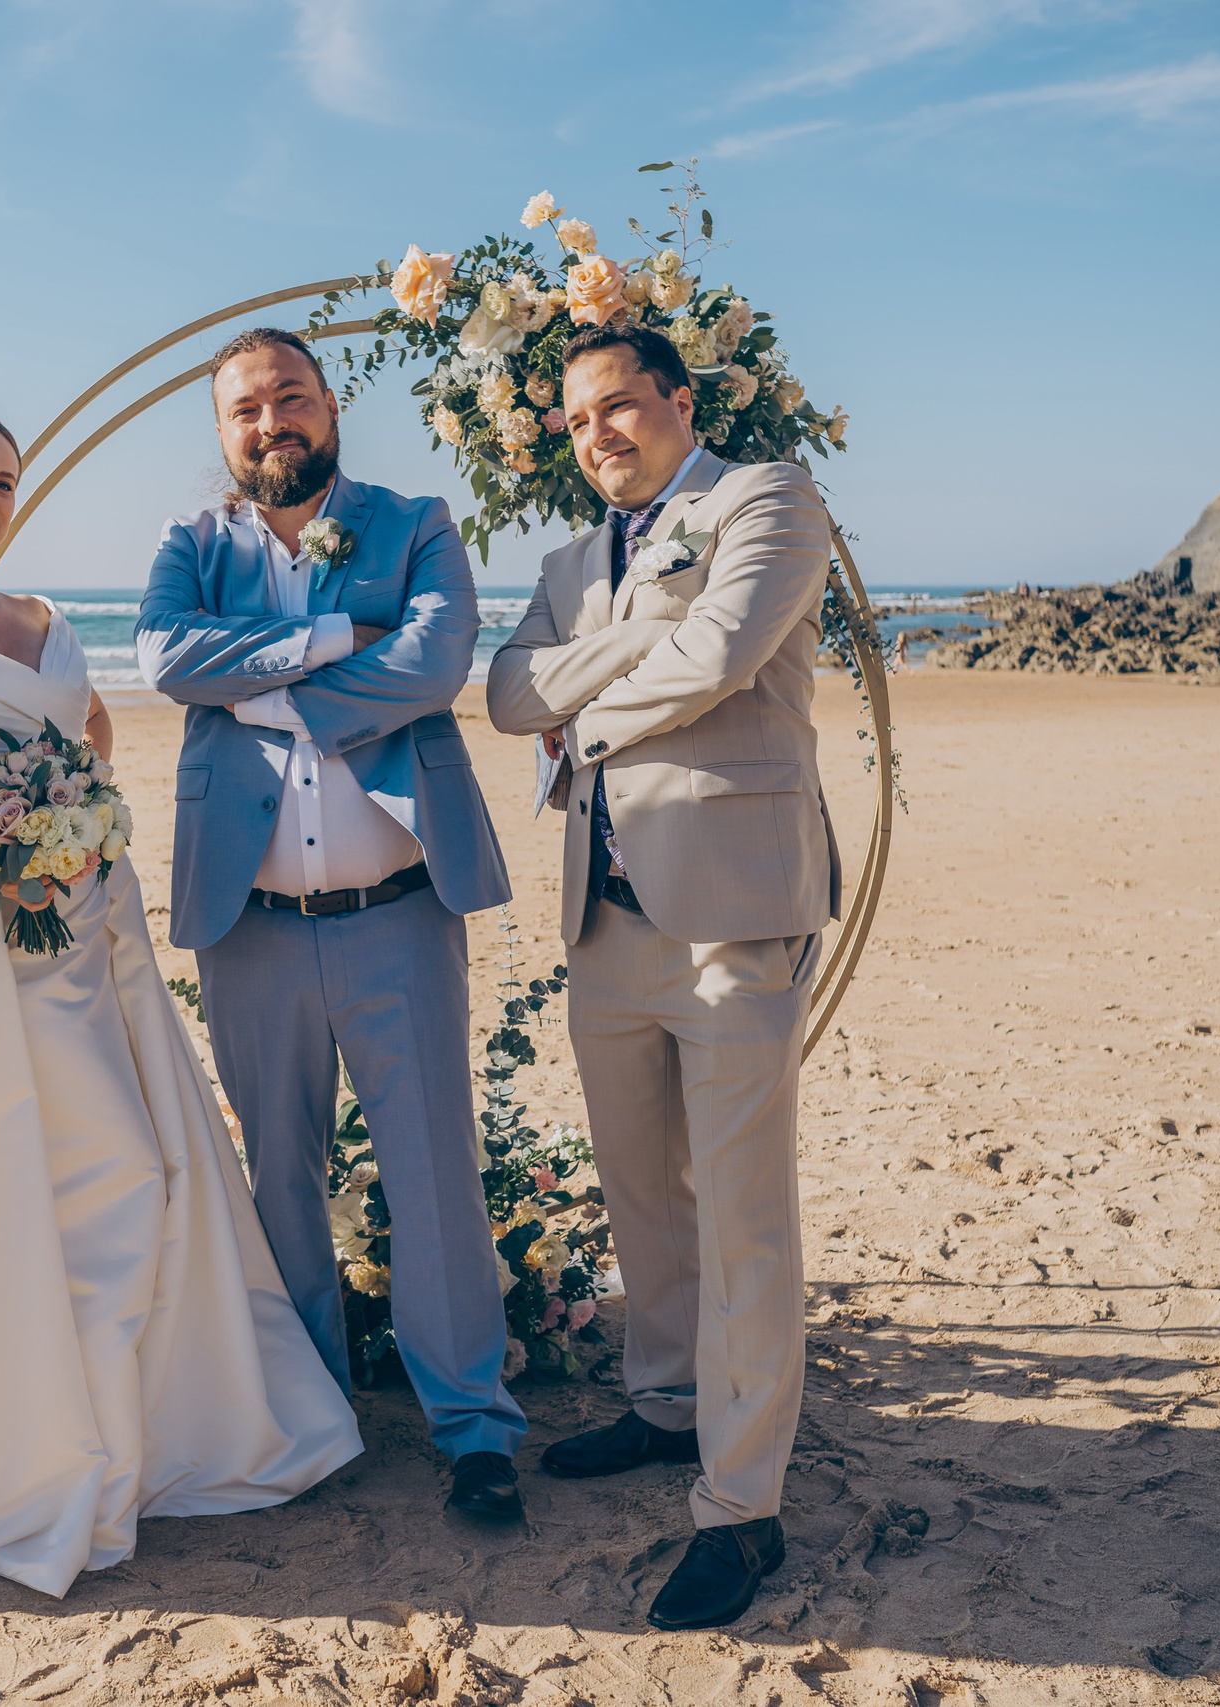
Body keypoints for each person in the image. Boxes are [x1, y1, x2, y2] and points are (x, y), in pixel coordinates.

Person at [0, 410, 360, 1597]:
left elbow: (86, 738)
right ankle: (35, 1444)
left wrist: (81, 820)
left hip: (91, 935)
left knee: (137, 1161)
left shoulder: (45, 621)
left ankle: (137, 1424)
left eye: (3, 480)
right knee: (43, 1175)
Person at [135, 329, 527, 1522]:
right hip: (245, 922)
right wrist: (324, 644)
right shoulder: (189, 545)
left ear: (330, 404)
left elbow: (436, 659)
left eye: (289, 397)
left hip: (398, 915)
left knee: (433, 1176)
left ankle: (472, 1427)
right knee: (279, 1180)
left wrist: (257, 690)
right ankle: (310, 1416)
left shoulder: (414, 522)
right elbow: (160, 656)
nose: (271, 422)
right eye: (246, 409)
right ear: (222, 431)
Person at [486, 321, 840, 1632]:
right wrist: (630, 647)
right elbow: (510, 693)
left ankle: (744, 1505)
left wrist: (590, 705)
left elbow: (728, 651)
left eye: (621, 407)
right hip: (606, 918)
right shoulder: (569, 558)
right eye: (578, 423)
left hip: (735, 914)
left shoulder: (771, 495)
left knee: (745, 1212)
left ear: (681, 400)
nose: (600, 437)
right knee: (642, 1190)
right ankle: (667, 1404)